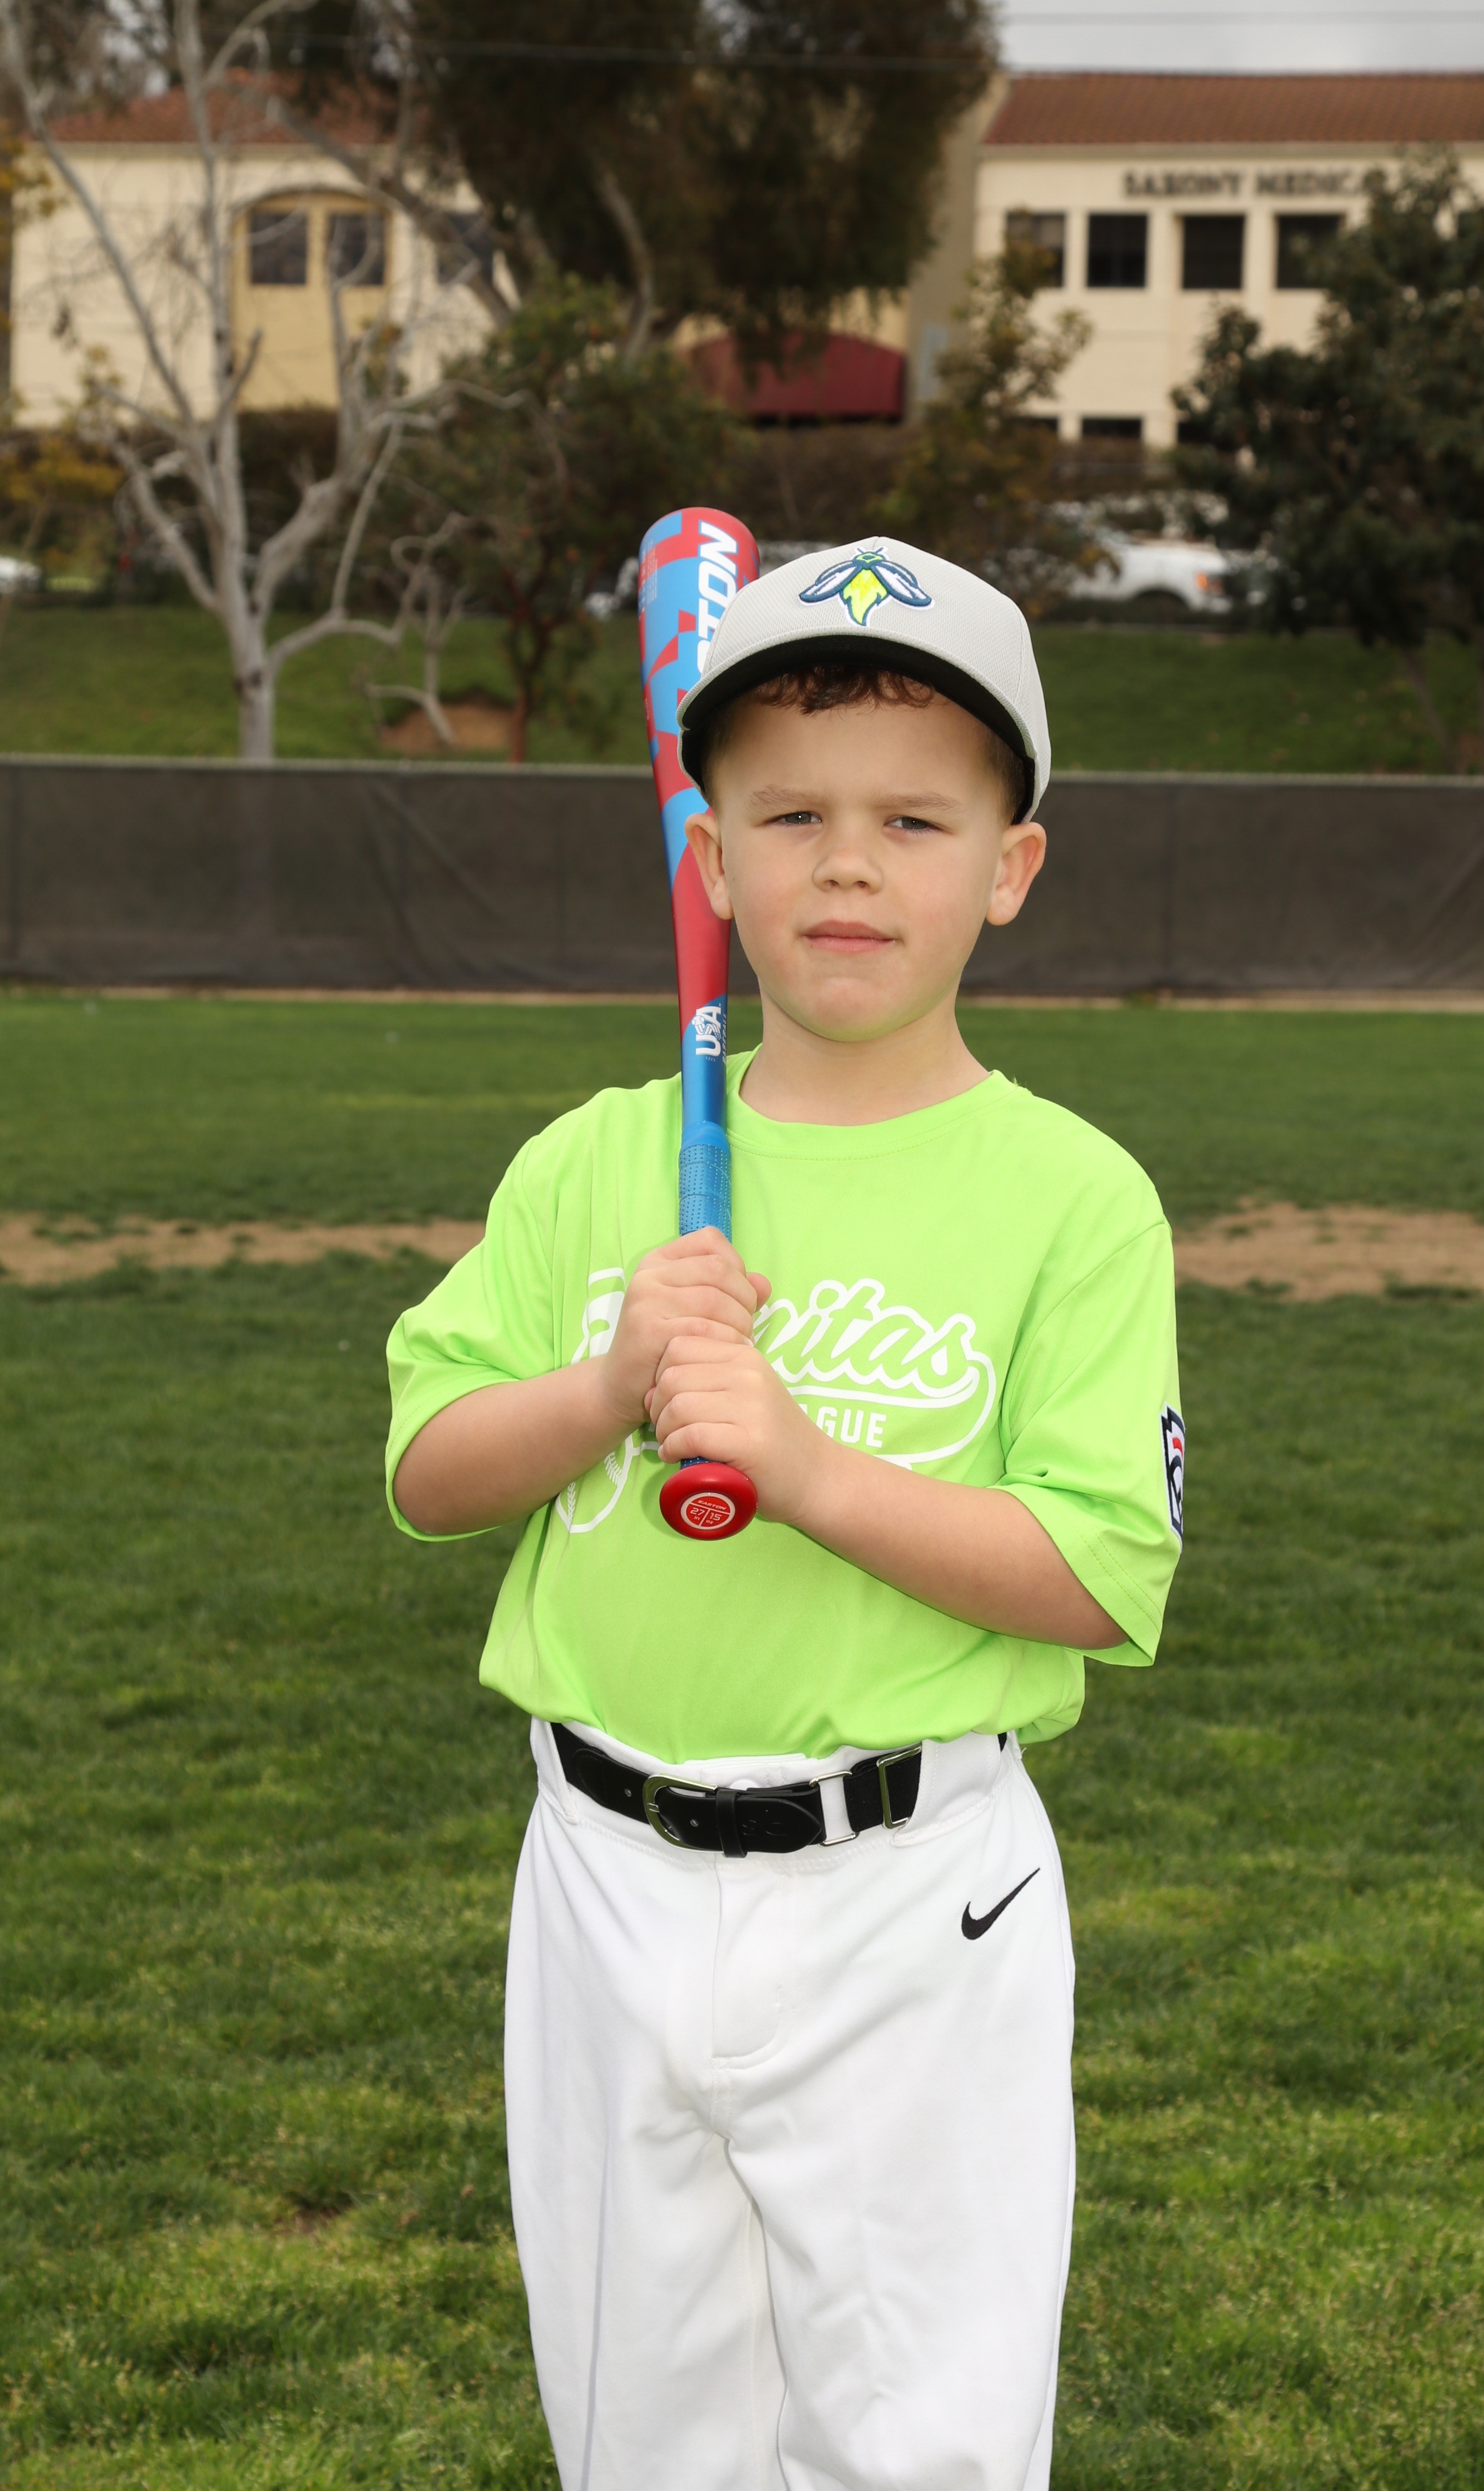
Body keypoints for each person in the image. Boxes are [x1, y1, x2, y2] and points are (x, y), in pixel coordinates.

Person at [384, 536, 1185, 2491]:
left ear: (1009, 867)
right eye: (792, 816)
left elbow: (1096, 1573)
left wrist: (810, 1473)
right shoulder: (596, 1163)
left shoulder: (1073, 1197)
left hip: (913, 1900)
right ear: (713, 861)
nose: (848, 867)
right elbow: (428, 1472)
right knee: (642, 2443)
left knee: (919, 2448)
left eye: (915, 820)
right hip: (602, 1874)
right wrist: (604, 1387)